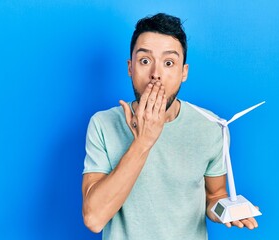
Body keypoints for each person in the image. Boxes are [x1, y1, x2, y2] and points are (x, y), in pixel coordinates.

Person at [82, 13, 259, 239]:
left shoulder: (211, 126)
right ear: (130, 67)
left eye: (169, 63)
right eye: (145, 61)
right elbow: (94, 218)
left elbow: (215, 195)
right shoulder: (103, 124)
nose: (156, 74)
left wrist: (227, 212)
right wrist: (143, 141)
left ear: (183, 72)